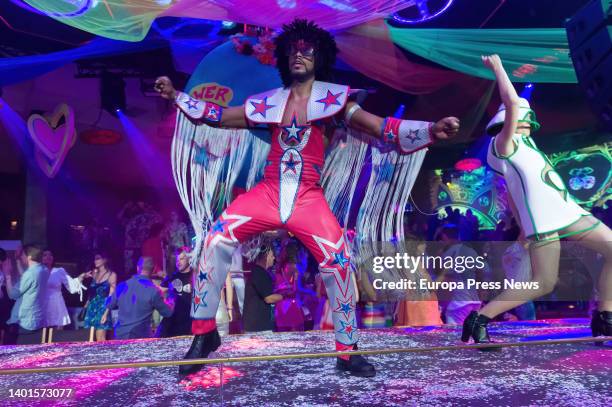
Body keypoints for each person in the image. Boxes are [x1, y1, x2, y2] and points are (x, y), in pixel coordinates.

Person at [156, 19, 459, 377]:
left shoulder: (333, 100)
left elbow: (379, 126)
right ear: (284, 57)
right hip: (267, 193)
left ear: (321, 56)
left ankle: (347, 352)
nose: (299, 55)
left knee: (339, 264)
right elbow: (221, 117)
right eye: (293, 50)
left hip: (308, 199)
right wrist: (178, 97)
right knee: (213, 242)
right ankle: (205, 336)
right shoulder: (268, 102)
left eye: (307, 49)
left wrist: (430, 130)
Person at [462, 55, 612, 345]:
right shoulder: (504, 146)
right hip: (545, 221)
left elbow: (520, 196)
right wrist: (498, 69)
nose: (529, 120)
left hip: (568, 212)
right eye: (521, 115)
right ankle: (479, 318)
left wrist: (520, 227)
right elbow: (513, 102)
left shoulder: (529, 148)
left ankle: (605, 316)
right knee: (544, 283)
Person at [102, 257, 174, 340]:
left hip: (120, 337)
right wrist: (170, 298)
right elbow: (168, 313)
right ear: (153, 270)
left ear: (137, 268)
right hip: (141, 340)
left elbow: (109, 303)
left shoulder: (122, 285)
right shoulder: (153, 291)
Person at [3, 245, 48, 344]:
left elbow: (12, 295)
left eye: (23, 255)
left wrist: (7, 275)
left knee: (10, 351)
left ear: (29, 257)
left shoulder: (30, 274)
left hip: (24, 321)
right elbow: (27, 279)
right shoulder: (43, 269)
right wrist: (18, 260)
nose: (22, 257)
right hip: (36, 318)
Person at [243, 237, 283, 333]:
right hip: (258, 328)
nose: (274, 258)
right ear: (266, 255)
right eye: (272, 255)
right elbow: (269, 298)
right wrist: (284, 296)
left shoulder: (259, 272)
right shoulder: (259, 273)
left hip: (258, 326)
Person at [42, 249, 87, 328]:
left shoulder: (59, 271)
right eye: (45, 255)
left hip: (56, 305)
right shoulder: (36, 272)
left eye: (50, 255)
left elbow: (71, 286)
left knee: (57, 336)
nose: (48, 257)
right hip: (42, 306)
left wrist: (81, 277)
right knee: (42, 335)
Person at [158, 247, 193, 337]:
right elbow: (159, 290)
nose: (178, 262)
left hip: (189, 323)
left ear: (189, 259)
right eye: (177, 259)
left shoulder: (194, 276)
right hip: (173, 323)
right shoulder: (172, 277)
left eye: (182, 259)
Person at [83, 253, 117, 341]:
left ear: (105, 260)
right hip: (92, 306)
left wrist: (106, 313)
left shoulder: (111, 275)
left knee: (100, 338)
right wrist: (86, 304)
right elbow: (92, 291)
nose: (95, 261)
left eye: (98, 258)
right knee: (90, 337)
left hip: (103, 306)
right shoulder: (94, 273)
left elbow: (111, 295)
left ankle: (103, 354)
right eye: (95, 259)